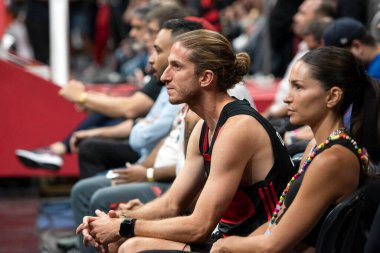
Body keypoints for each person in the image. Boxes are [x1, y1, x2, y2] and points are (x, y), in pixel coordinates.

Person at [76, 29, 295, 253]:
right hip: (225, 240)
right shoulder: (203, 127)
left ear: (206, 78)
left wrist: (124, 225)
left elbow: (200, 226)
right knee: (118, 241)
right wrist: (110, 222)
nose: (164, 76)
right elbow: (172, 204)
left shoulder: (237, 129)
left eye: (177, 67)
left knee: (130, 247)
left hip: (251, 245)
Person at [210, 46, 380, 253]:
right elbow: (277, 224)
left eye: (298, 87)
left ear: (333, 96)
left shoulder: (333, 159)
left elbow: (273, 245)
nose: (287, 98)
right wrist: (232, 244)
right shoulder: (316, 146)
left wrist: (225, 245)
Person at [15, 3, 190, 171]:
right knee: (96, 131)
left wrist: (83, 98)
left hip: (154, 151)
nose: (140, 35)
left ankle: (60, 150)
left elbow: (133, 111)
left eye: (146, 30)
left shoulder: (163, 71)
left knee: (92, 147)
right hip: (147, 144)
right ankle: (58, 149)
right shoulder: (149, 63)